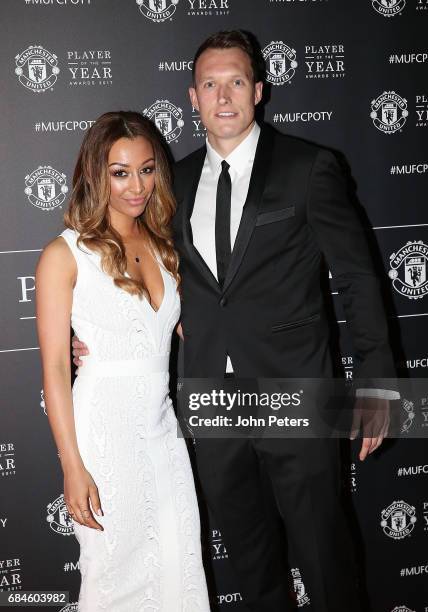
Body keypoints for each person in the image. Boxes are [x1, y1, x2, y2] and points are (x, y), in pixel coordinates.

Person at [73, 32, 396, 611]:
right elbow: (146, 273)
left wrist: (377, 381)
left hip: (296, 393)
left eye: (236, 82)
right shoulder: (172, 182)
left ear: (259, 91)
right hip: (211, 403)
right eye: (210, 84)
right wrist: (95, 332)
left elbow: (359, 277)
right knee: (250, 562)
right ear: (192, 97)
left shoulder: (309, 167)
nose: (223, 96)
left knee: (326, 556)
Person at [36, 111, 210, 612]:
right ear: (96, 174)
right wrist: (73, 466)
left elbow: (192, 333)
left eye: (147, 169)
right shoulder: (63, 255)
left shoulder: (167, 247)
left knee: (178, 562)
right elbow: (53, 369)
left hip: (162, 434)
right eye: (120, 172)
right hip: (102, 437)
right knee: (112, 574)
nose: (137, 185)